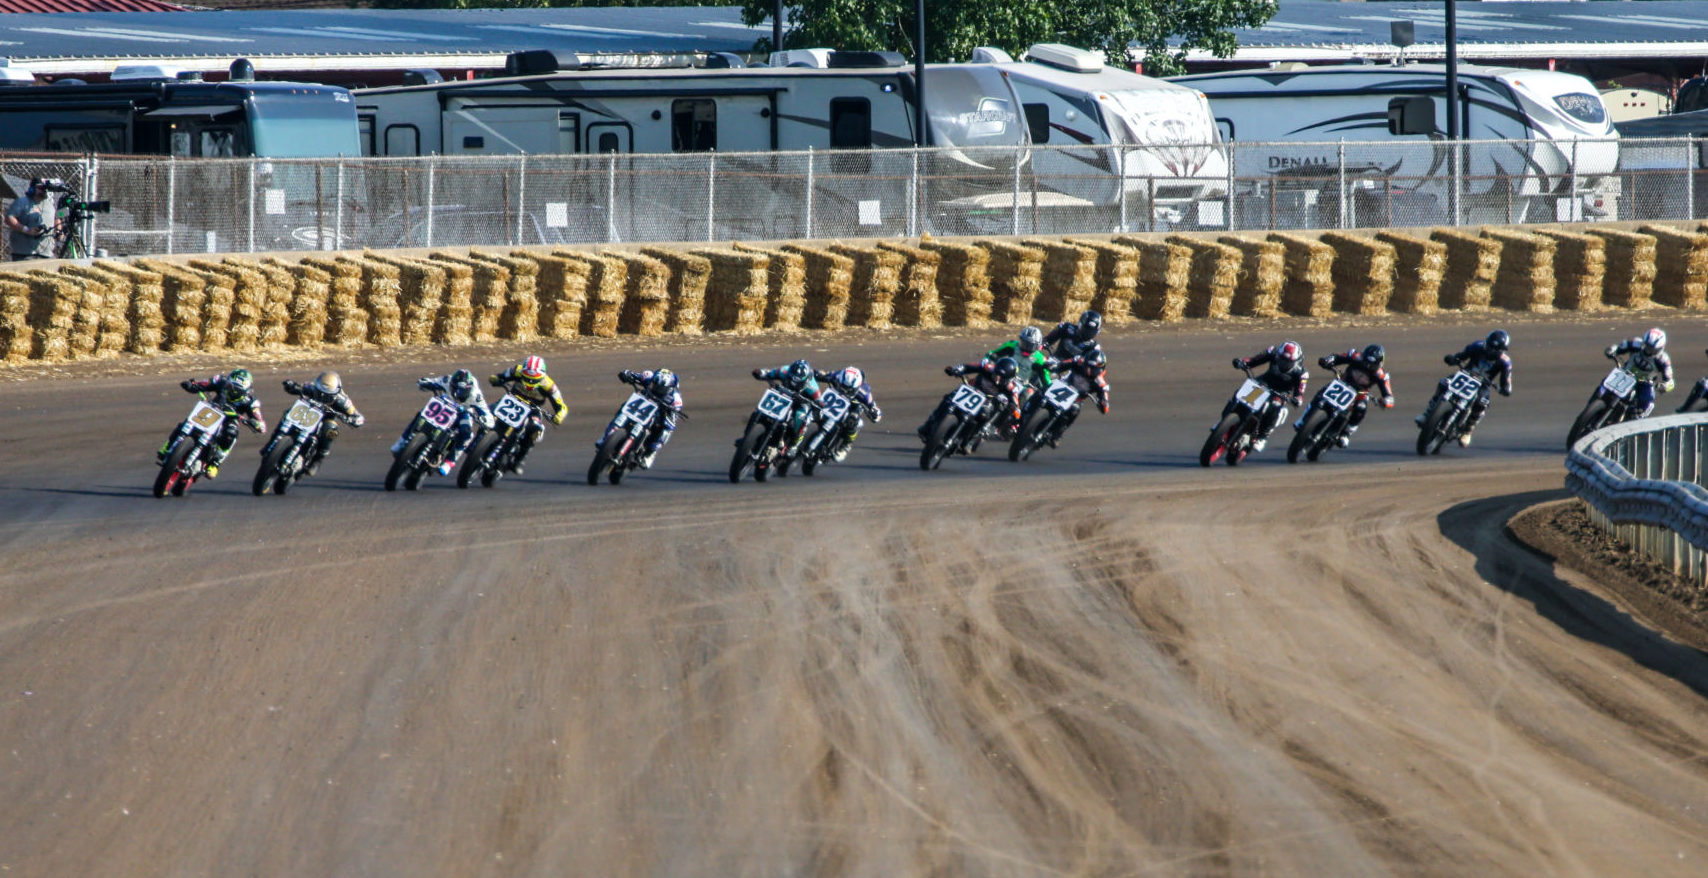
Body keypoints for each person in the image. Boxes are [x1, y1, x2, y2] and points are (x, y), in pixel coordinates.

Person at [159, 368, 266, 479]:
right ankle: (169, 445)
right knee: (189, 421)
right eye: (230, 387)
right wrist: (192, 385)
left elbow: (260, 422)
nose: (232, 391)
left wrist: (256, 424)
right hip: (212, 410)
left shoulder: (252, 402)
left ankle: (215, 463)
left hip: (229, 419)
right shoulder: (220, 380)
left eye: (237, 390)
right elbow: (204, 384)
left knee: (231, 433)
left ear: (247, 390)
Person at [1419, 329, 1513, 447]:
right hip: (1464, 375)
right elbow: (1462, 356)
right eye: (1489, 346)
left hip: (1483, 384)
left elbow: (1506, 381)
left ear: (1502, 350)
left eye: (1494, 349)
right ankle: (1428, 413)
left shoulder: (1505, 362)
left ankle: (1468, 431)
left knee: (1482, 402)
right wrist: (1454, 359)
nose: (1490, 350)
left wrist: (1504, 389)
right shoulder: (1477, 346)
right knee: (1444, 383)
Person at [391, 368, 492, 476]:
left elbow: (489, 418)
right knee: (420, 414)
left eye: (461, 391)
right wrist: (424, 383)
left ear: (469, 389)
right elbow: (430, 381)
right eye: (455, 389)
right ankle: (402, 441)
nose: (457, 393)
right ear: (452, 384)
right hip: (443, 406)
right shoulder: (447, 380)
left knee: (467, 433)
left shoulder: (476, 396)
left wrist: (483, 419)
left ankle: (450, 462)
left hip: (463, 412)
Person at [488, 355, 568, 476]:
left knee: (535, 429)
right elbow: (501, 376)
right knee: (489, 410)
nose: (530, 382)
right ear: (523, 372)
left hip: (532, 410)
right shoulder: (516, 370)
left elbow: (562, 407)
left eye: (534, 379)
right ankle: (479, 438)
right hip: (511, 400)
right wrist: (495, 379)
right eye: (527, 377)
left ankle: (519, 460)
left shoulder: (550, 386)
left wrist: (559, 416)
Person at [278, 371, 365, 477]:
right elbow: (297, 388)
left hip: (325, 419)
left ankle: (318, 459)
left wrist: (351, 420)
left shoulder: (343, 400)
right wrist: (291, 385)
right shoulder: (311, 386)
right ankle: (276, 437)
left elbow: (359, 418)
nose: (322, 397)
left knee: (331, 429)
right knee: (289, 412)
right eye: (320, 393)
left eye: (327, 396)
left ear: (335, 393)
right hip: (307, 411)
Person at [918, 355, 1023, 442]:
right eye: (996, 373)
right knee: (948, 399)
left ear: (1008, 378)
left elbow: (1016, 406)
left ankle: (971, 440)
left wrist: (1013, 409)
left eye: (1001, 377)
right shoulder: (987, 367)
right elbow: (967, 367)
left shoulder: (1011, 388)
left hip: (985, 403)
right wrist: (956, 370)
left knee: (985, 414)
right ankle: (929, 425)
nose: (997, 377)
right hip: (969, 390)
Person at [1231, 341, 1308, 453]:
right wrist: (1243, 362)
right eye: (1281, 359)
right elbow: (1254, 360)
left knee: (1275, 406)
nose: (1283, 363)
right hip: (1264, 382)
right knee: (1240, 393)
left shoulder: (1301, 373)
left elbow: (1299, 392)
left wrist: (1297, 399)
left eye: (1287, 361)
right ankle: (1226, 417)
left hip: (1281, 392)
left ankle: (1262, 437)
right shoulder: (1273, 352)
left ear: (1296, 361)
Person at [1312, 344, 1395, 447]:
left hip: (1360, 392)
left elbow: (1389, 397)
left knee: (1361, 408)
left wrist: (1385, 401)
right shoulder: (1355, 356)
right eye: (1366, 362)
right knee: (1322, 393)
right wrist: (1327, 361)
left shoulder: (1382, 376)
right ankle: (1307, 416)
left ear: (1379, 363)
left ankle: (1346, 434)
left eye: (1371, 365)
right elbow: (1337, 357)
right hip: (1342, 383)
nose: (1367, 366)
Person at [601, 367, 684, 469]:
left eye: (661, 388)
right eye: (655, 385)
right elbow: (634, 375)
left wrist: (669, 414)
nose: (657, 389)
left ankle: (650, 454)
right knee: (623, 408)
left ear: (670, 388)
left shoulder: (676, 399)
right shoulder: (649, 377)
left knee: (666, 430)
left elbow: (673, 420)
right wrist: (626, 375)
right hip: (642, 404)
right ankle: (606, 438)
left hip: (659, 413)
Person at [1042, 343, 1110, 446]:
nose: (1089, 370)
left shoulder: (1100, 382)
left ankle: (1056, 435)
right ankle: (1026, 411)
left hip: (1075, 400)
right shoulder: (1079, 361)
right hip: (1061, 385)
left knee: (1074, 411)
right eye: (1088, 366)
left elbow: (1104, 402)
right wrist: (1054, 366)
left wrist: (1103, 403)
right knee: (1042, 390)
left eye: (1093, 368)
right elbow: (1063, 364)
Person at [814, 365, 883, 461]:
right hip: (834, 403)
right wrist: (816, 374)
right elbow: (823, 375)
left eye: (848, 389)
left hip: (852, 408)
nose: (845, 391)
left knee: (853, 421)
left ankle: (846, 445)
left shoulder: (865, 392)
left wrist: (874, 413)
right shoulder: (837, 376)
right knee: (814, 405)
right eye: (843, 387)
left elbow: (876, 411)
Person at [751, 359, 822, 450]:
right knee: (761, 409)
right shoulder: (784, 370)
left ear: (806, 380)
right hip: (784, 395)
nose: (793, 384)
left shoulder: (813, 387)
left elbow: (819, 402)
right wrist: (761, 373)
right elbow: (769, 373)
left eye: (797, 383)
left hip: (802, 403)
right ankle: (748, 434)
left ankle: (794, 445)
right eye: (790, 379)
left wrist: (817, 407)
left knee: (801, 417)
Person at [1605, 327, 1675, 420]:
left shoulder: (1663, 359)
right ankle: (1596, 401)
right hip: (1626, 374)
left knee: (1647, 402)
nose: (1648, 350)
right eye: (1647, 346)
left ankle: (1634, 419)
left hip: (1644, 383)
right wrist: (1612, 350)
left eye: (1652, 349)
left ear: (1660, 348)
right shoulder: (1637, 343)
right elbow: (1619, 347)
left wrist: (1664, 386)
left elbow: (1670, 381)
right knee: (1605, 384)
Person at [985, 325, 1053, 393]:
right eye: (1024, 343)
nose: (1026, 348)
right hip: (1003, 378)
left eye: (1030, 346)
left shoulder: (1040, 359)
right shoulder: (1012, 345)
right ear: (1020, 340)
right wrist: (988, 362)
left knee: (1029, 393)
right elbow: (994, 354)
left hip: (1021, 387)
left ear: (1037, 346)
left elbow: (1046, 381)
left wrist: (1049, 389)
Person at [5, 178, 56, 261]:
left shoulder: (50, 205)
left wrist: (59, 230)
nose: (43, 190)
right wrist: (27, 230)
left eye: (45, 189)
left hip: (46, 253)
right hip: (24, 253)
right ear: (32, 189)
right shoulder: (22, 202)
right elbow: (9, 218)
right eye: (40, 188)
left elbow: (57, 218)